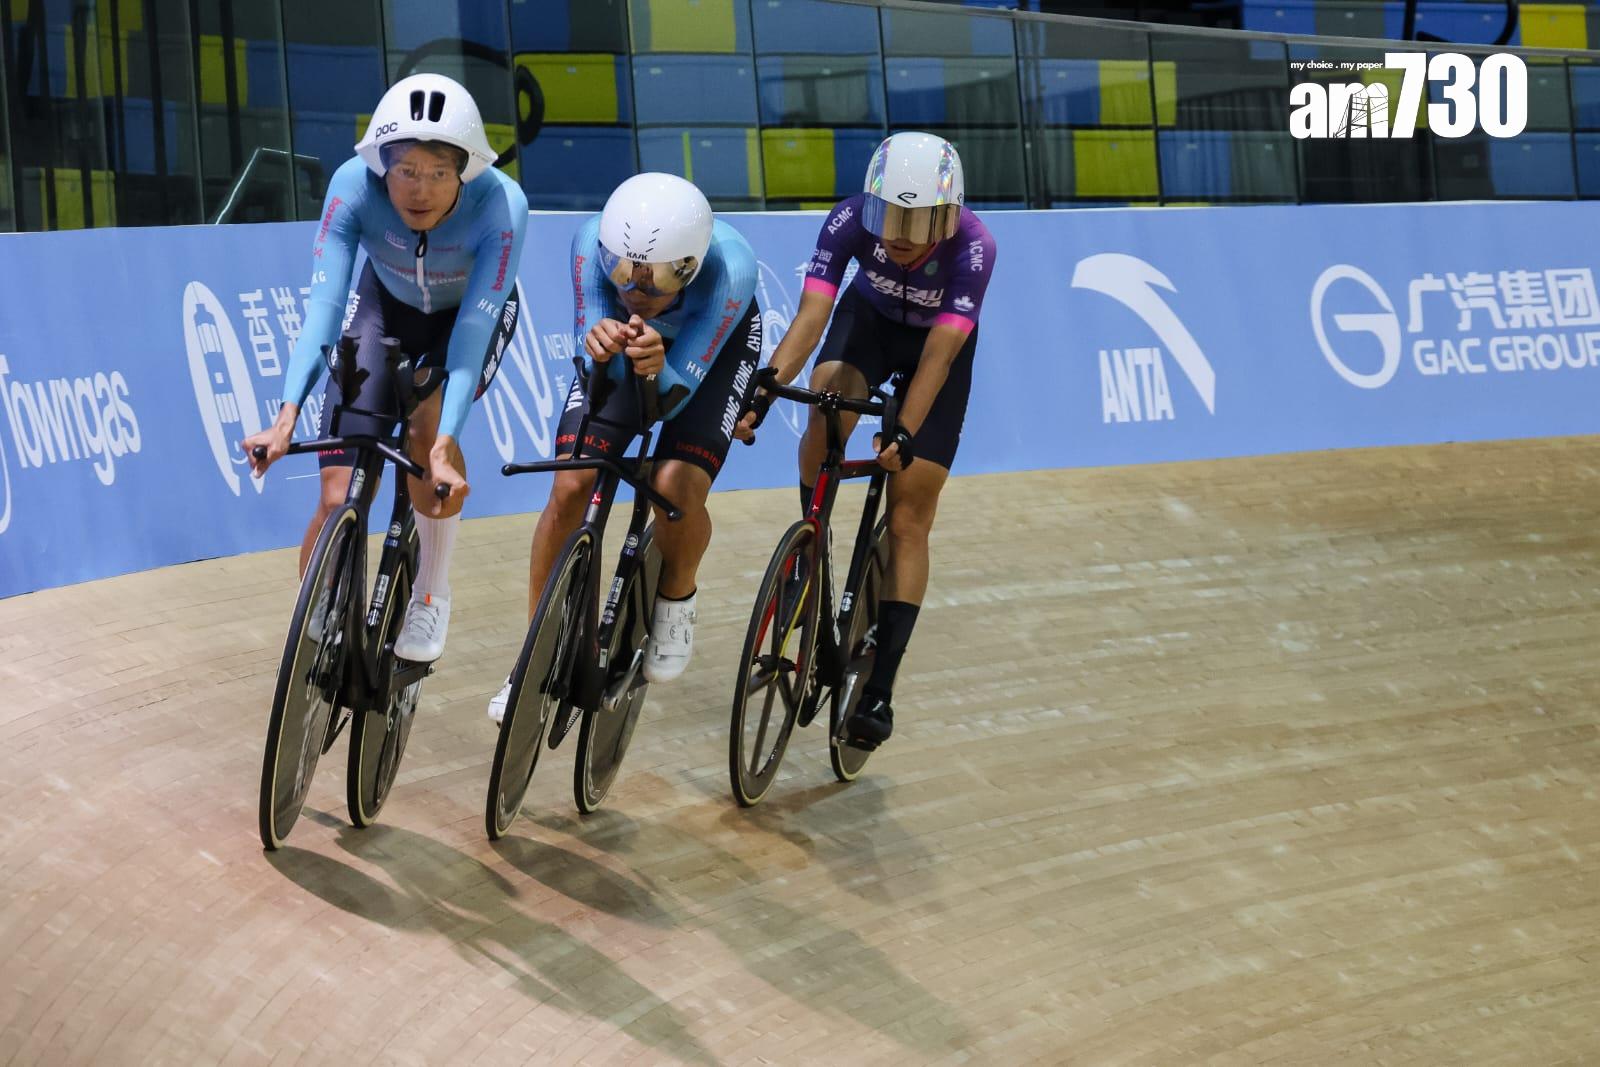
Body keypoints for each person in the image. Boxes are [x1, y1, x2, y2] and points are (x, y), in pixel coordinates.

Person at [242, 73, 528, 664]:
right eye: (405, 171)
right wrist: (286, 416)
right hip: (384, 304)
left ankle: (431, 590)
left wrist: (449, 440)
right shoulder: (352, 187)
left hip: (467, 316)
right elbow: (323, 309)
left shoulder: (502, 204)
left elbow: (474, 334)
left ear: (466, 171)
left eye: (438, 174)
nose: (419, 190)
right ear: (381, 166)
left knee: (425, 435)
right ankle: (316, 609)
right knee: (336, 489)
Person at [736, 131, 996, 750]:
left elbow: (941, 351)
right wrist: (766, 388)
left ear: (949, 216)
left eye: (917, 220)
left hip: (936, 348)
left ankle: (880, 687)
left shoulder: (976, 248)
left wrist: (905, 429)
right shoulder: (849, 220)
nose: (899, 233)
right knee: (824, 403)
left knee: (910, 513)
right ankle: (811, 540)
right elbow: (812, 316)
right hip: (870, 323)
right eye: (888, 215)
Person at [488, 173, 761, 722]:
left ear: (688, 266)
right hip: (629, 344)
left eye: (658, 278)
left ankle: (677, 595)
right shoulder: (589, 242)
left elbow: (676, 399)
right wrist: (601, 344)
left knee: (674, 485)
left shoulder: (731, 269)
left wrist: (660, 370)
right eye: (624, 272)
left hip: (710, 351)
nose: (637, 289)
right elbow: (589, 339)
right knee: (571, 482)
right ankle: (536, 654)